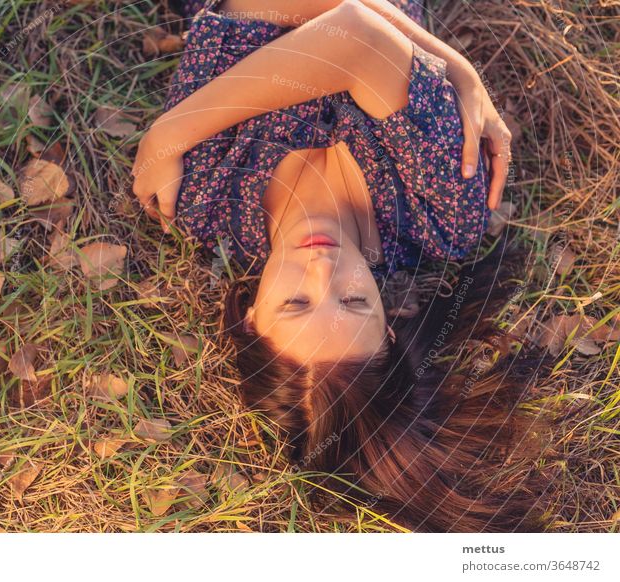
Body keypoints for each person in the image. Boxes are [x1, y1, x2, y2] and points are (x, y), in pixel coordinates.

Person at [132, 0, 549, 531]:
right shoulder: (437, 215)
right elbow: (354, 34)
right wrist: (174, 131)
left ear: (251, 319)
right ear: (392, 327)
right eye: (353, 302)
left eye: (296, 302)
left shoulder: (207, 198)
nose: (323, 269)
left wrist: (433, 63)